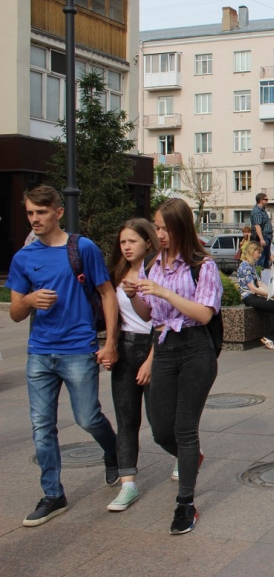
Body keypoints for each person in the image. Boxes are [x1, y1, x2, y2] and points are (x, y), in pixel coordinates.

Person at [8, 185, 119, 527]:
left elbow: (107, 294)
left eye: (41, 212)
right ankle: (53, 494)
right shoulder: (23, 257)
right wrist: (28, 301)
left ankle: (113, 449)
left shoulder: (81, 248)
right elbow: (14, 312)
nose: (35, 219)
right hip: (40, 352)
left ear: (58, 212)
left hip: (78, 348)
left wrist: (110, 342)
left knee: (87, 418)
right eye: (30, 213)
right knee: (42, 427)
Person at [129, 197, 223, 535]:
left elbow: (203, 313)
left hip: (196, 348)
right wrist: (133, 294)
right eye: (156, 227)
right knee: (161, 430)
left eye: (165, 228)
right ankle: (191, 458)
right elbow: (147, 315)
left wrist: (164, 292)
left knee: (184, 428)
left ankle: (186, 504)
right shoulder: (152, 263)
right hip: (165, 348)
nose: (159, 233)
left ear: (181, 227)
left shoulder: (202, 265)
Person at [106, 218, 160, 512]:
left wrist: (151, 360)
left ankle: (183, 455)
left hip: (154, 347)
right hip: (125, 349)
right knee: (126, 420)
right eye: (123, 241)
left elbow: (161, 322)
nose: (126, 247)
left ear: (148, 243)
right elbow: (112, 314)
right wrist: (110, 346)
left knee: (159, 419)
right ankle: (128, 484)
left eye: (132, 241)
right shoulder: (116, 274)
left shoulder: (157, 272)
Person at [236, 242, 274, 350]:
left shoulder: (250, 266)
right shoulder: (245, 266)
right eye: (258, 252)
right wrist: (270, 294)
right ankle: (269, 338)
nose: (259, 255)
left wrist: (272, 291)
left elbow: (259, 283)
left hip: (252, 296)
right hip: (248, 297)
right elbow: (253, 288)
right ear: (252, 251)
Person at [250, 192, 273, 268]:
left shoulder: (262, 210)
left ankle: (265, 272)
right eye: (265, 199)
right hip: (263, 236)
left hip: (267, 236)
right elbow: (257, 226)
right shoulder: (257, 211)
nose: (267, 201)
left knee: (266, 256)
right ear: (260, 200)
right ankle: (261, 273)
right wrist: (261, 239)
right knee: (261, 256)